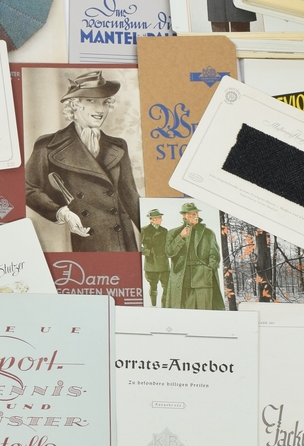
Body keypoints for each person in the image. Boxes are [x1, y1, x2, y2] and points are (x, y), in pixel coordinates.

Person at [25, 71, 140, 252]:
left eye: (105, 102)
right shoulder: (48, 146)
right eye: (91, 101)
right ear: (75, 105)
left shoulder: (118, 146)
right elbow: (27, 189)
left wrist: (156, 237)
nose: (100, 110)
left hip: (121, 239)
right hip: (86, 237)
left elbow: (131, 198)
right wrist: (63, 213)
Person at [165, 202, 224, 310]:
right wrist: (180, 237)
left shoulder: (209, 233)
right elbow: (169, 253)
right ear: (184, 215)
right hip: (182, 278)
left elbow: (214, 254)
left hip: (203, 278)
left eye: (195, 213)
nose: (194, 215)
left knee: (205, 311)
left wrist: (209, 268)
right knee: (184, 314)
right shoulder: (174, 233)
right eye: (190, 213)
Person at [140, 209, 169, 307]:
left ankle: (164, 307)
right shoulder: (144, 230)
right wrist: (148, 252)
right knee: (153, 287)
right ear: (152, 219)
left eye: (160, 217)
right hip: (151, 264)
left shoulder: (164, 230)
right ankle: (153, 306)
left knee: (167, 287)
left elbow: (168, 245)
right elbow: (137, 246)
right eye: (159, 217)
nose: (161, 219)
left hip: (164, 264)